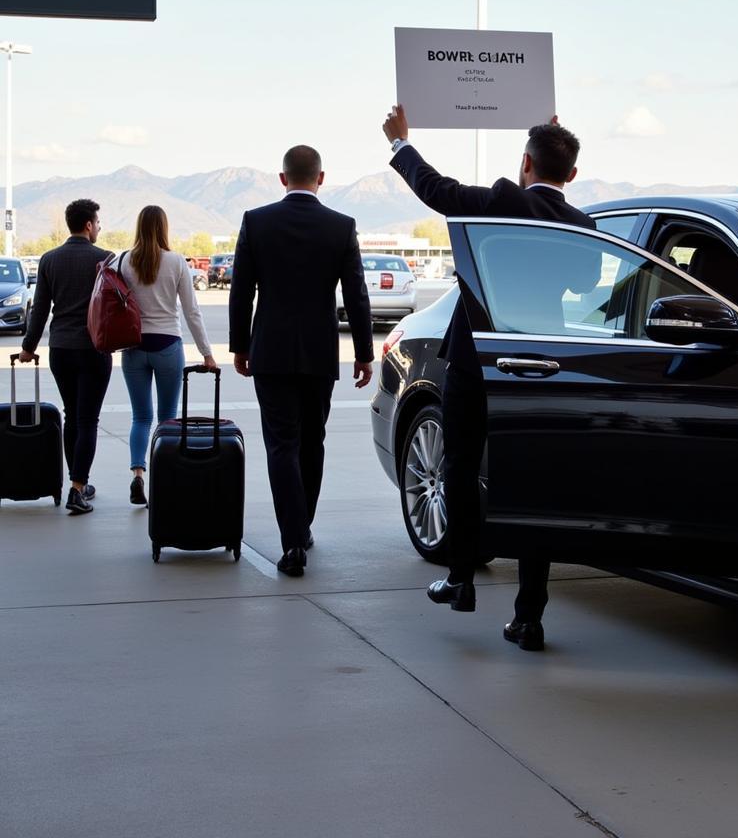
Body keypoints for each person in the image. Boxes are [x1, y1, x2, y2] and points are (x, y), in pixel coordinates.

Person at [382, 104, 595, 652]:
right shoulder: (582, 227)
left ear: (525, 162)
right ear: (571, 174)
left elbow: (438, 191)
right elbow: (582, 282)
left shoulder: (504, 199)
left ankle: (460, 580)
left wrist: (401, 143)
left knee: (459, 462)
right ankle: (529, 618)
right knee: (534, 483)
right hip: (541, 366)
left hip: (478, 359)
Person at [229, 145, 374, 577]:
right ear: (321, 178)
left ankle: (293, 542)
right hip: (318, 352)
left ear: (282, 178)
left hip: (270, 352)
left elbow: (241, 289)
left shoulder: (256, 222)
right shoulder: (341, 226)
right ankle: (303, 525)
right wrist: (364, 353)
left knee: (281, 445)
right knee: (313, 442)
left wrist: (240, 345)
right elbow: (357, 295)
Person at [119, 206, 218, 507]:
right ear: (164, 227)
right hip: (167, 346)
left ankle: (138, 475)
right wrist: (207, 353)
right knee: (167, 419)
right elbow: (191, 312)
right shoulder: (176, 262)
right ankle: (165, 479)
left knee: (140, 416)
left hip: (133, 347)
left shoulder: (123, 260)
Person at [19, 199, 112, 515]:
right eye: (98, 222)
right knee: (88, 420)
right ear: (88, 225)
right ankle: (77, 487)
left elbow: (40, 311)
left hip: (60, 349)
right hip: (94, 349)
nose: (99, 227)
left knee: (72, 415)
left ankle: (79, 484)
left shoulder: (49, 259)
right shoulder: (105, 259)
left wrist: (29, 347)